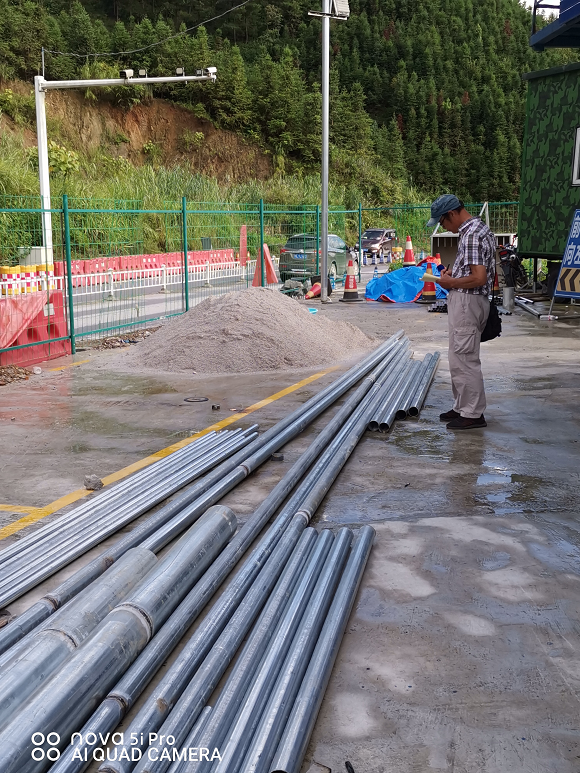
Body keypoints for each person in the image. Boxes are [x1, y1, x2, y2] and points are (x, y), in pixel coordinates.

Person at [426, 194, 496, 430]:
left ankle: (472, 413)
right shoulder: (477, 229)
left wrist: (451, 282)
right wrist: (453, 276)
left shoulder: (472, 234)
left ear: (452, 213)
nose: (444, 227)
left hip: (468, 302)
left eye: (443, 222)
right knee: (458, 356)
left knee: (465, 358)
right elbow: (474, 272)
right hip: (468, 301)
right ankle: (462, 407)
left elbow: (478, 277)